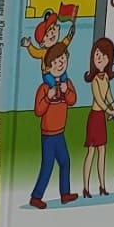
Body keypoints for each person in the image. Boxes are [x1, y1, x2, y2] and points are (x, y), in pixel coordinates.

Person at [31, 43, 77, 209]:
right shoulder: (44, 88)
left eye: (63, 59)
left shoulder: (66, 83)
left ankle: (65, 194)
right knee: (47, 166)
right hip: (48, 135)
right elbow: (38, 110)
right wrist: (48, 97)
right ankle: (36, 197)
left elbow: (72, 100)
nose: (61, 63)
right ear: (49, 66)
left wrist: (66, 91)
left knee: (65, 162)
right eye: (56, 61)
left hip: (60, 133)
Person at [82, 37, 114, 197]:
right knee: (91, 151)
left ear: (109, 59)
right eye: (97, 55)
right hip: (95, 117)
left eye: (103, 55)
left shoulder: (106, 78)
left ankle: (102, 186)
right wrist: (108, 110)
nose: (100, 58)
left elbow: (108, 95)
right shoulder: (95, 80)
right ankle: (86, 187)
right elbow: (99, 99)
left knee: (102, 151)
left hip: (101, 118)